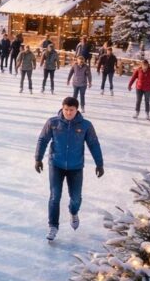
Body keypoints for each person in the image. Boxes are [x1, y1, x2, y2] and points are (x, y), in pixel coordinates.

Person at [35, 96, 103, 241]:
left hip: (76, 166)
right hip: (56, 164)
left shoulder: (85, 125)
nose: (68, 113)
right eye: (66, 109)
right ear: (62, 108)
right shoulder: (53, 122)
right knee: (55, 196)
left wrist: (99, 163)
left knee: (76, 198)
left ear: (77, 110)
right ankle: (53, 226)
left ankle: (73, 212)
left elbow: (94, 144)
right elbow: (43, 140)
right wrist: (38, 158)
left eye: (71, 110)